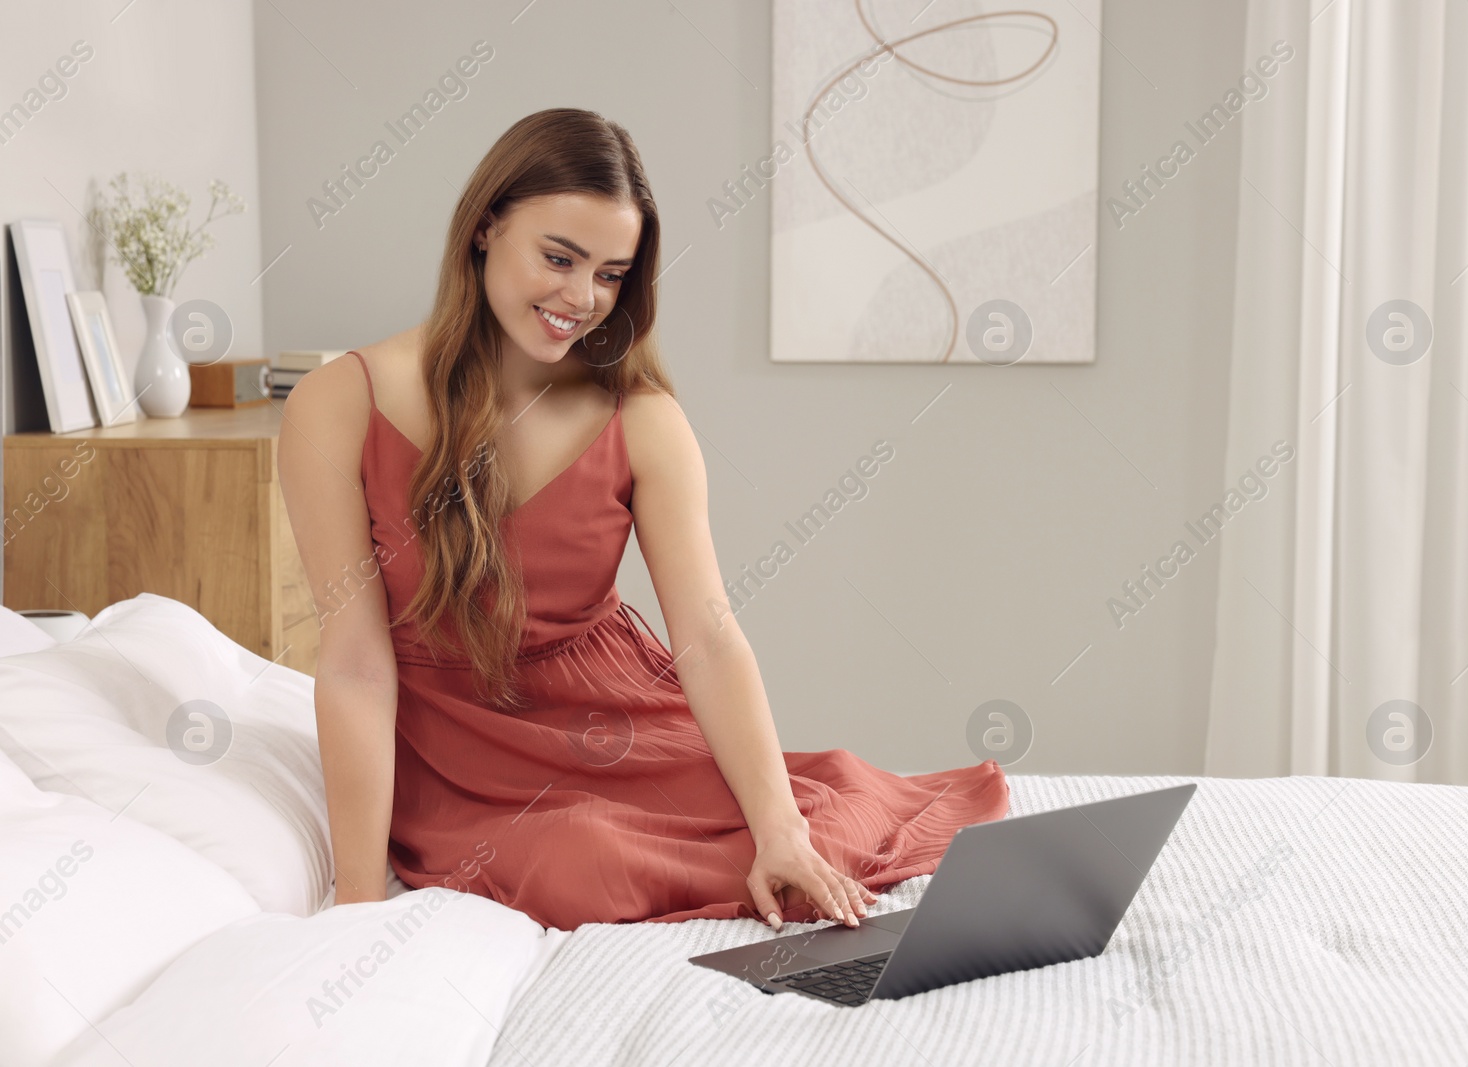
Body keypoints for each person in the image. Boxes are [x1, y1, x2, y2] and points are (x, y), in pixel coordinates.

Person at [278, 107, 1010, 934]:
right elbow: (353, 664)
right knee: (582, 860)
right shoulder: (338, 404)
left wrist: (776, 826)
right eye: (558, 258)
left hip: (619, 722)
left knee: (811, 829)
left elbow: (708, 631)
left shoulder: (642, 418)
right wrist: (356, 904)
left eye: (610, 273)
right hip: (456, 757)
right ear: (485, 228)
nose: (580, 297)